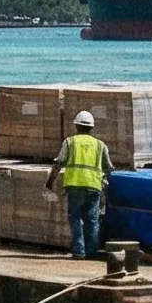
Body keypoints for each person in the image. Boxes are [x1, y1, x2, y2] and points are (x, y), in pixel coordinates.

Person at [54, 111, 111, 259]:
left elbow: (59, 163)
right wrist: (104, 180)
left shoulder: (69, 142)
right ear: (92, 128)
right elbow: (109, 167)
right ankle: (92, 252)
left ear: (76, 126)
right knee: (92, 220)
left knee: (75, 218)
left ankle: (79, 251)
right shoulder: (100, 145)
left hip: (75, 186)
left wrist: (49, 183)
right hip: (94, 186)